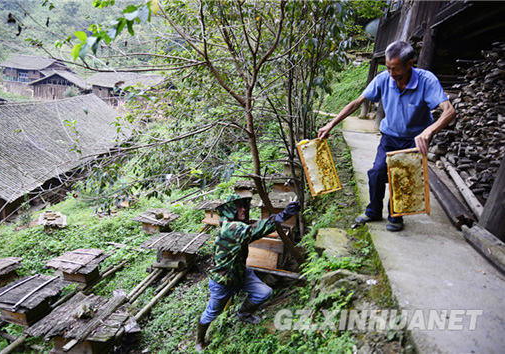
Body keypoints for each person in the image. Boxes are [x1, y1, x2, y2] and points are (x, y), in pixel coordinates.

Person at [318, 41, 456, 232]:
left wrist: (428, 131)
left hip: (415, 138)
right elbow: (357, 102)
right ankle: (374, 211)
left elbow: (449, 111)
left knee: (402, 176)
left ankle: (396, 215)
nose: (391, 74)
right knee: (377, 172)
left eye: (395, 69)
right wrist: (331, 123)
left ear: (410, 64)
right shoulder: (384, 79)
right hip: (390, 136)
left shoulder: (426, 80)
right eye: (388, 68)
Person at [195, 195, 300, 351]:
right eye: (238, 207)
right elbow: (256, 230)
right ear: (230, 211)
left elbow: (255, 226)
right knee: (211, 313)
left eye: (244, 206)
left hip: (241, 274)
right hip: (223, 282)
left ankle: (243, 314)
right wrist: (283, 215)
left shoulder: (236, 226)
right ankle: (199, 340)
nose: (243, 209)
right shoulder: (231, 228)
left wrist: (277, 216)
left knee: (265, 292)